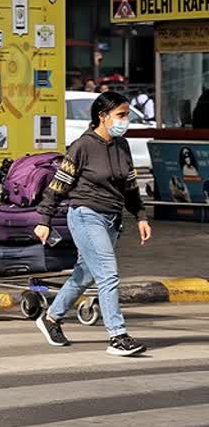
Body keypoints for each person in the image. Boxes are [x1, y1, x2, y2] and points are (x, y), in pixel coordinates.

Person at [33, 91, 152, 357]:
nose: (125, 121)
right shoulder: (82, 146)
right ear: (102, 116)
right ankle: (117, 335)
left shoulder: (122, 146)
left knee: (84, 274)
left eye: (127, 115)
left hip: (112, 218)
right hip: (85, 215)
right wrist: (44, 220)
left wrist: (141, 216)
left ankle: (51, 318)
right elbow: (58, 185)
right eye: (120, 115)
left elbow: (131, 187)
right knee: (108, 274)